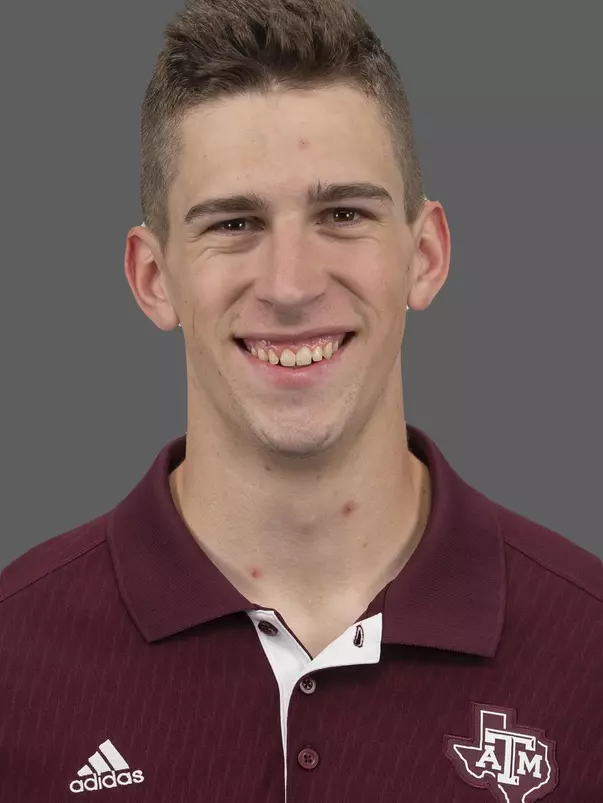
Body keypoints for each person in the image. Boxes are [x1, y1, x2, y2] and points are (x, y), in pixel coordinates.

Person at [1, 0, 601, 800]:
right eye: (235, 223)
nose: (291, 284)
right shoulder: (16, 656)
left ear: (424, 255)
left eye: (343, 214)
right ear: (153, 277)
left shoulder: (588, 648)